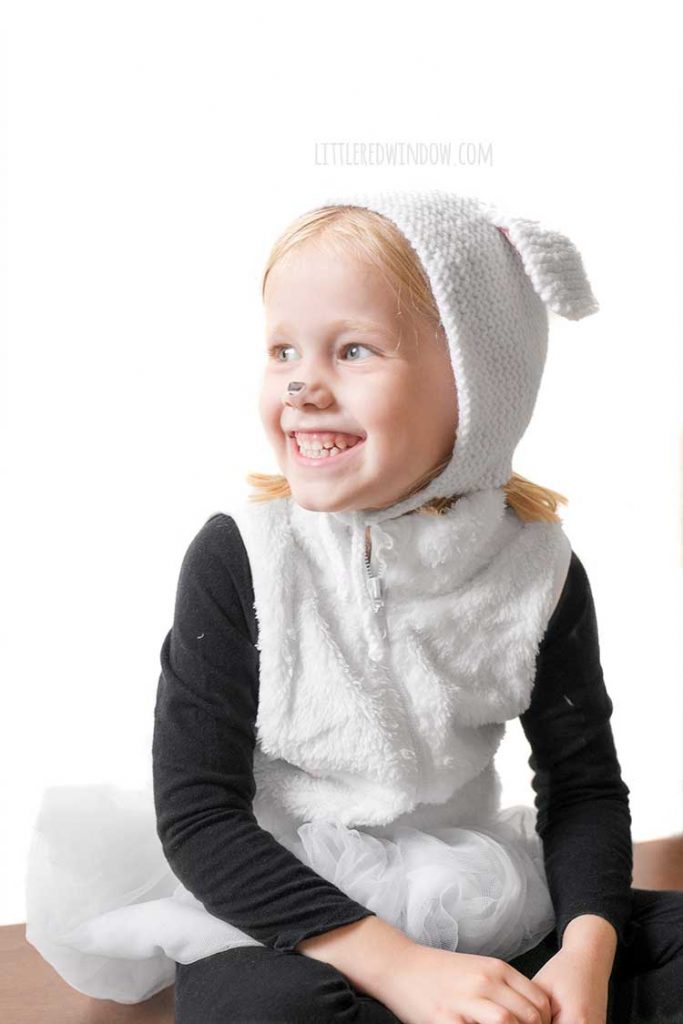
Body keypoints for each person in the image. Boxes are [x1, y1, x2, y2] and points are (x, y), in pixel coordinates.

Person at [25, 190, 683, 1023]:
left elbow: (583, 786)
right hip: (278, 905)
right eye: (282, 350)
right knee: (272, 1011)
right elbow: (198, 814)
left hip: (467, 884)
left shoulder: (538, 572)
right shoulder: (244, 558)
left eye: (354, 350)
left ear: (478, 387)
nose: (302, 382)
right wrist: (403, 971)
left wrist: (584, 960)